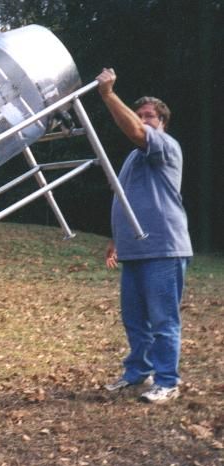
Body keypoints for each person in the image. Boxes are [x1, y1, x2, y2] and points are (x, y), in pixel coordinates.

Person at [96, 68, 193, 404]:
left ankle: (168, 381)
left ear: (162, 121)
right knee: (135, 319)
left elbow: (137, 132)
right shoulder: (133, 159)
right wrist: (115, 238)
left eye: (149, 115)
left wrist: (108, 95)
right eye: (139, 115)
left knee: (163, 319)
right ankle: (138, 373)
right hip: (134, 249)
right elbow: (126, 200)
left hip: (164, 248)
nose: (142, 119)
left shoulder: (164, 145)